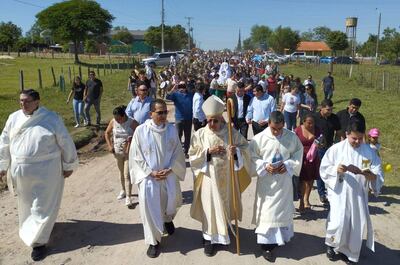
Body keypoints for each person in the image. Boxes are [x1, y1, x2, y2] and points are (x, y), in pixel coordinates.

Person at [0, 89, 78, 261]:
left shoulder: (51, 118)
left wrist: (69, 164)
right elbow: (4, 142)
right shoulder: (14, 118)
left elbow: (65, 140)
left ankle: (39, 243)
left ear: (37, 102)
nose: (23, 105)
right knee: (26, 204)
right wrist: (2, 165)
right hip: (21, 171)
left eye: (27, 101)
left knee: (42, 205)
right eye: (21, 101)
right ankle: (32, 230)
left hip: (46, 171)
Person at [189, 95, 251, 257]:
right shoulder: (201, 134)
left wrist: (235, 152)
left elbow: (246, 148)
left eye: (215, 121)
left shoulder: (231, 133)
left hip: (228, 178)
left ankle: (223, 235)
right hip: (209, 179)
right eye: (209, 121)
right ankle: (209, 239)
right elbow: (193, 154)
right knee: (210, 207)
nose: (212, 124)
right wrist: (208, 152)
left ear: (221, 119)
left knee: (225, 204)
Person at [320, 120, 384, 264]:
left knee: (355, 224)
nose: (357, 142)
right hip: (340, 193)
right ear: (347, 134)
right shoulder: (336, 149)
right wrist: (336, 169)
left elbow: (378, 172)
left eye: (360, 138)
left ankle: (349, 252)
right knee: (338, 221)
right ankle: (331, 244)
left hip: (358, 194)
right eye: (354, 138)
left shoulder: (369, 151)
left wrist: (372, 176)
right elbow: (324, 168)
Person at [129, 99, 186, 258]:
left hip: (168, 175)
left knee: (171, 202)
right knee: (150, 209)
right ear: (151, 114)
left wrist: (170, 169)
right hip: (149, 178)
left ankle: (167, 219)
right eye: (159, 112)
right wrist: (150, 172)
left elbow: (177, 152)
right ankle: (153, 242)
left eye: (165, 112)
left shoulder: (171, 130)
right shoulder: (141, 131)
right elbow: (136, 156)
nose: (163, 115)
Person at [249, 111, 303, 262]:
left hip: (283, 183)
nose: (277, 132)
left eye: (279, 128)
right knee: (267, 212)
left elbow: (298, 154)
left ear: (284, 125)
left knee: (280, 212)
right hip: (266, 184)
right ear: (269, 124)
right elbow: (252, 157)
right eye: (274, 128)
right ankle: (267, 245)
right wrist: (265, 166)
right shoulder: (259, 139)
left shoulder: (291, 137)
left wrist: (288, 165)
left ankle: (280, 237)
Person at [105, 105, 138, 207]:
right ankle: (123, 190)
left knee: (127, 174)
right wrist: (110, 145)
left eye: (119, 118)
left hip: (129, 153)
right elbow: (107, 133)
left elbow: (141, 134)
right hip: (117, 152)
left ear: (124, 115)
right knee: (121, 172)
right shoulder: (113, 122)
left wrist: (132, 142)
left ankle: (128, 197)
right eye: (116, 119)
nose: (118, 121)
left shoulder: (132, 123)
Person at [314, 99, 341, 205]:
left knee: (331, 171)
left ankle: (331, 192)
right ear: (322, 108)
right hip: (318, 148)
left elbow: (338, 132)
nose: (329, 112)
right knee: (321, 170)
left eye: (331, 109)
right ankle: (322, 193)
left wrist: (337, 144)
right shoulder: (315, 117)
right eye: (327, 109)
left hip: (331, 148)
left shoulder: (334, 118)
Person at [294, 114, 322, 212]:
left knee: (310, 180)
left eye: (313, 123)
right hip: (301, 157)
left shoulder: (318, 130)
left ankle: (307, 199)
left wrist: (321, 144)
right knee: (302, 181)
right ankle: (301, 201)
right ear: (304, 122)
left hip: (313, 158)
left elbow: (322, 142)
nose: (311, 125)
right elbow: (293, 144)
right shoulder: (297, 130)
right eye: (309, 123)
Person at [166, 81, 194, 157]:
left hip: (188, 118)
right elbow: (167, 97)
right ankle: (177, 151)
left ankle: (185, 152)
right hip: (179, 118)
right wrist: (173, 89)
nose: (182, 88)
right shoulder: (175, 95)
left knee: (187, 136)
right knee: (178, 135)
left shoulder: (191, 95)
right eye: (180, 86)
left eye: (183, 86)